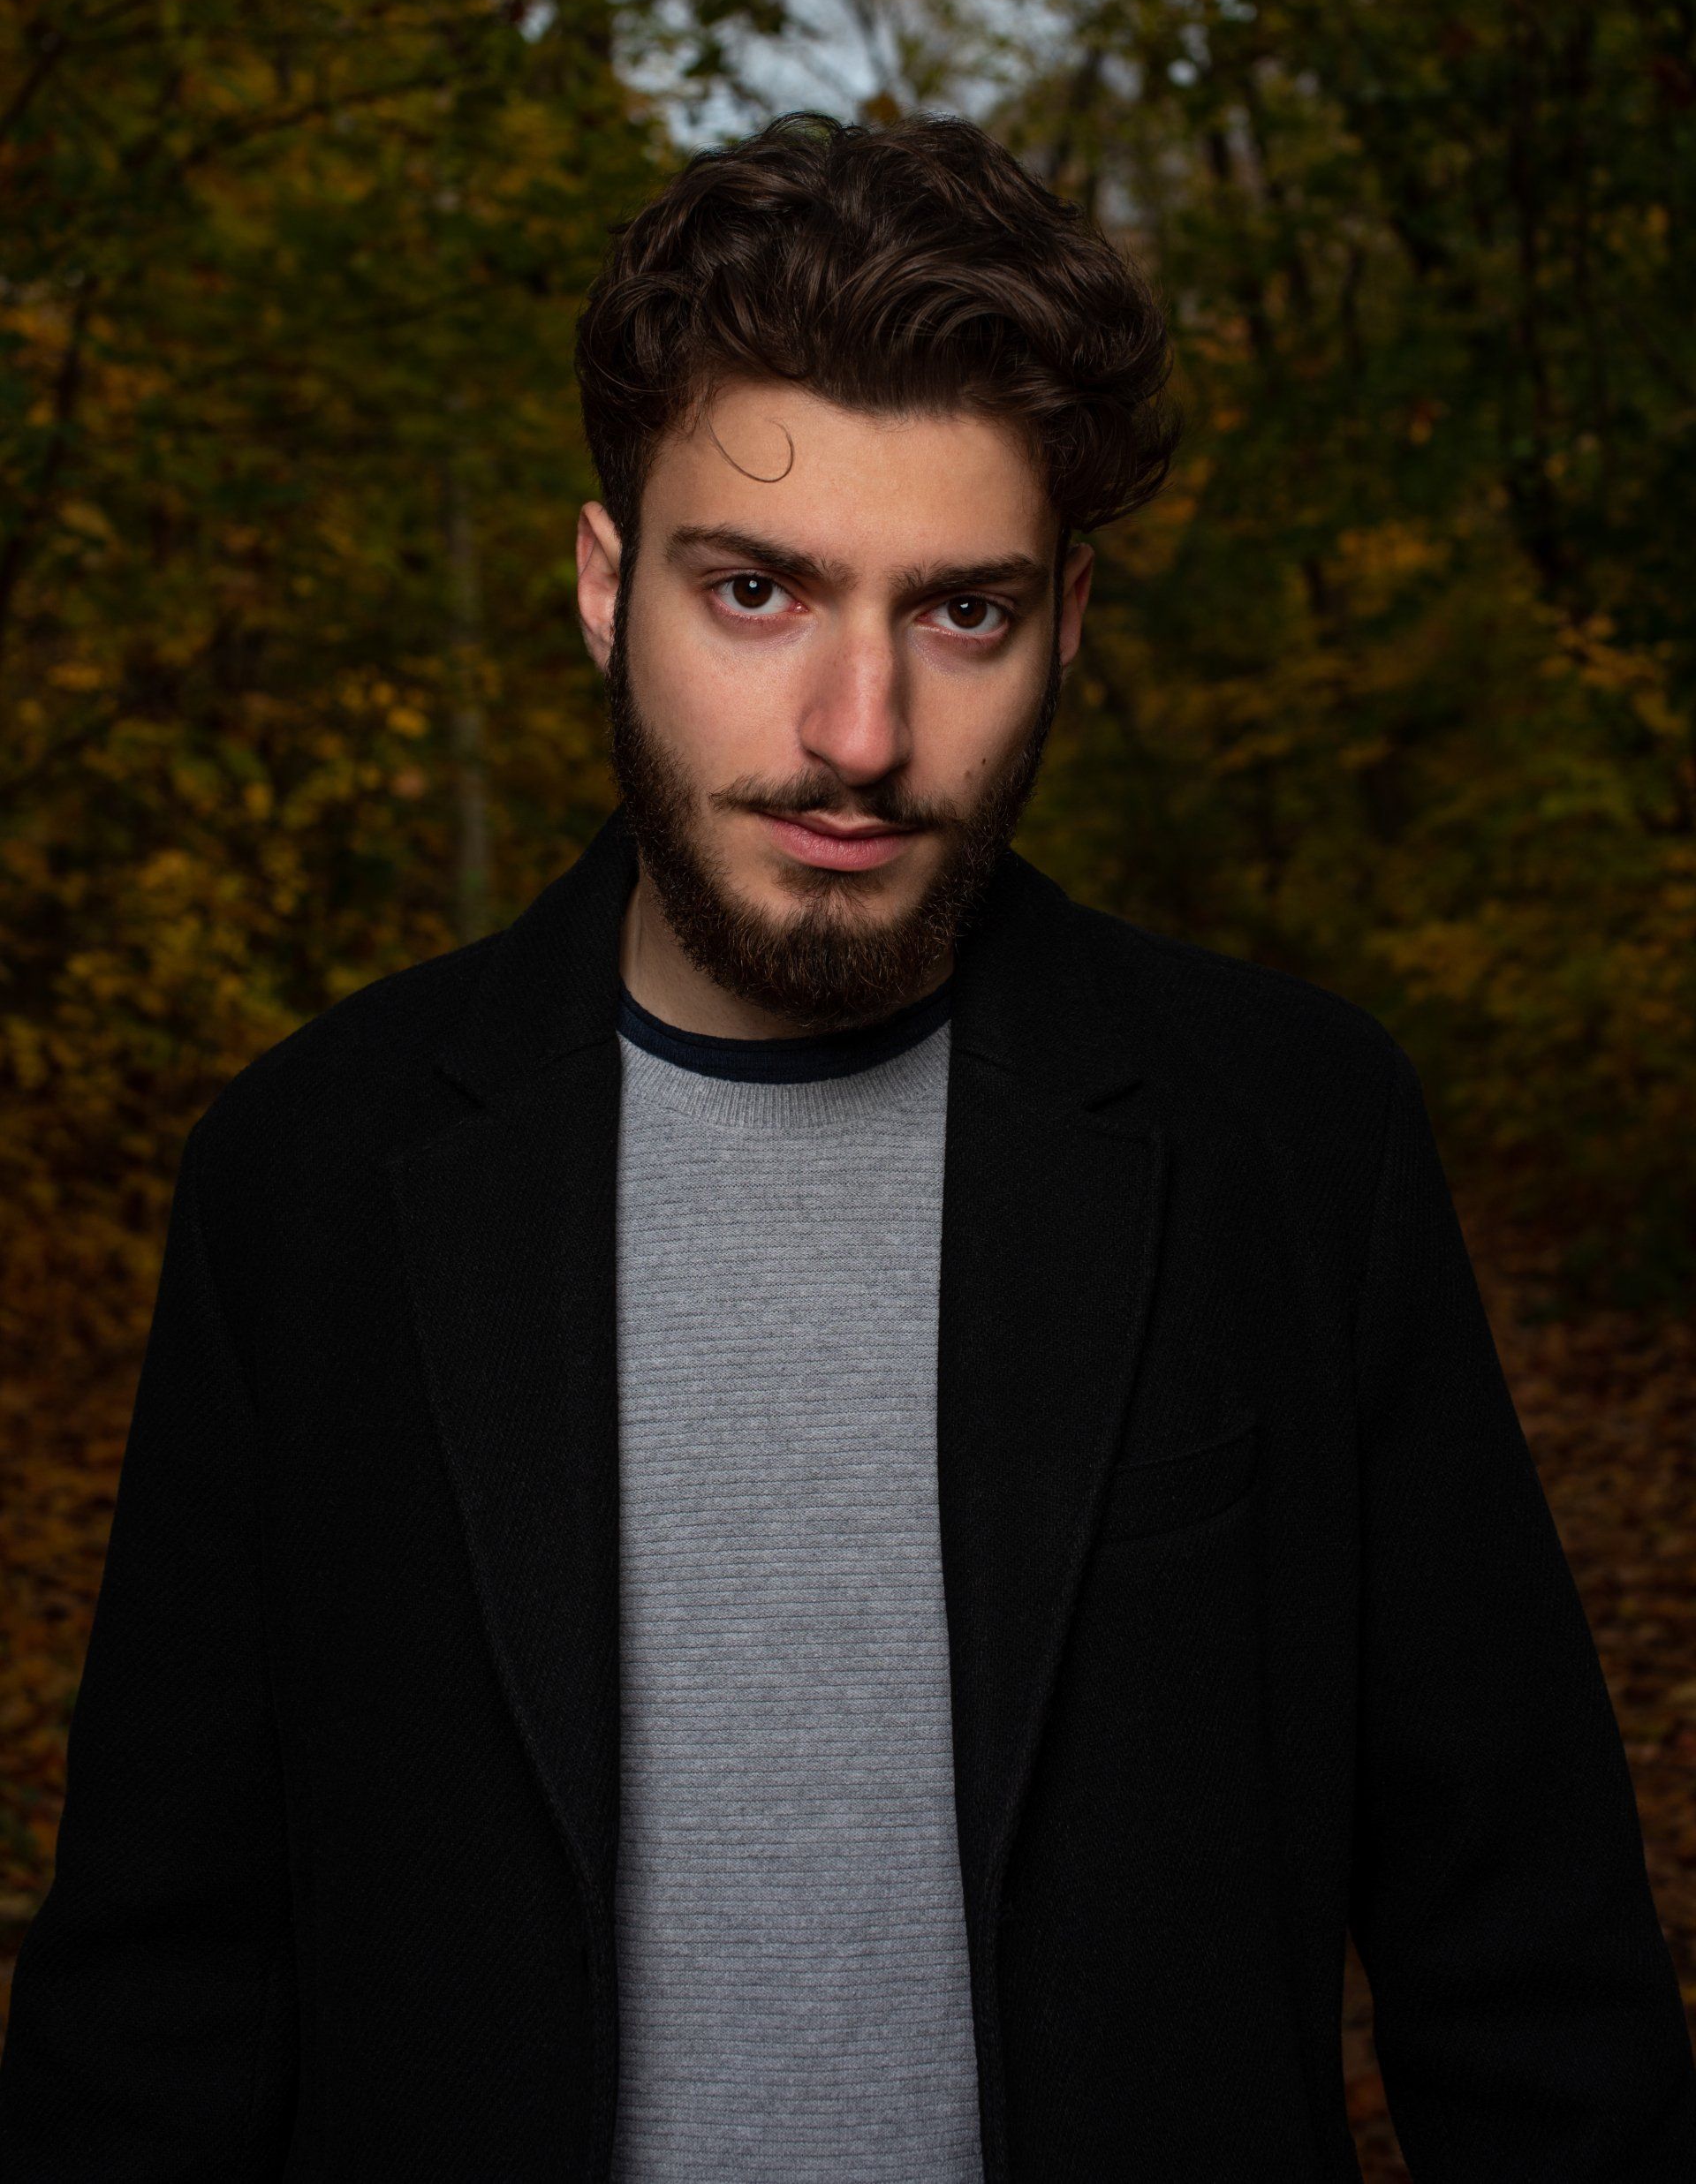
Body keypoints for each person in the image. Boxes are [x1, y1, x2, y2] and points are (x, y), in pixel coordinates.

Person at [0, 114, 1690, 2184]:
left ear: (1070, 620)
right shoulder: (305, 1179)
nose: (858, 728)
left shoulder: (1289, 1140)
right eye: (759, 590)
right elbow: (153, 2017)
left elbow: (1529, 1977)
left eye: (958, 613)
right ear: (607, 589)